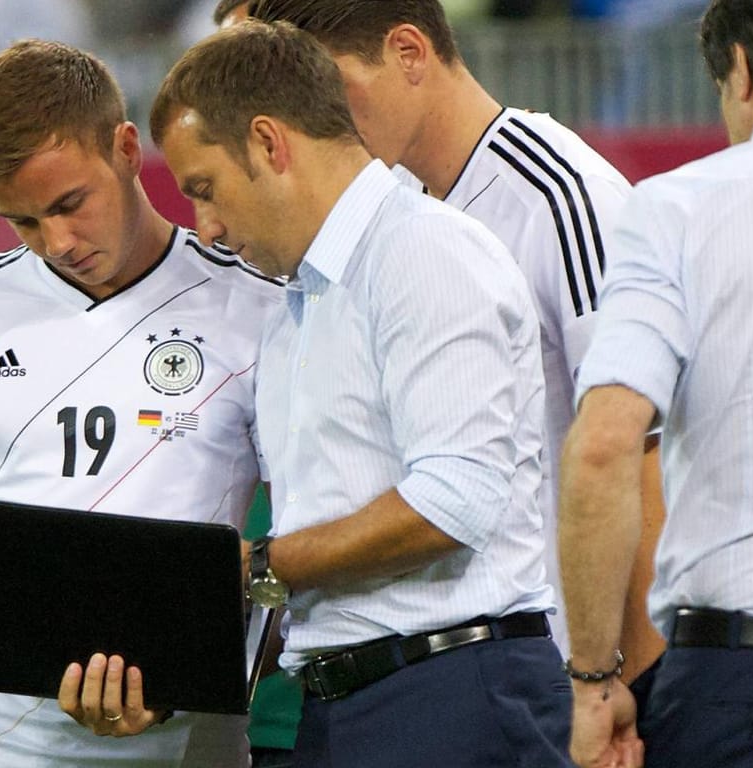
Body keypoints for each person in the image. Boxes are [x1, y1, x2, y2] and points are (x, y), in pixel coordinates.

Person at [0, 39, 280, 768]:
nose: (57, 242)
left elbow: (296, 548)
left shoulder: (257, 306)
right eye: (23, 221)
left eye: (71, 204)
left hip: (182, 741)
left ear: (127, 149)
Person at [148, 20, 570, 766]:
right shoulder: (296, 312)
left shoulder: (425, 253)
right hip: (342, 707)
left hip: (451, 698)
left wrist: (257, 570)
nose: (205, 228)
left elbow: (453, 501)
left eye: (205, 190)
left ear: (271, 144)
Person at [249, 0, 665, 679]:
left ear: (410, 52)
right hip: (478, 668)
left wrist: (632, 690)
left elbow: (643, 461)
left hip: (566, 677)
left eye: (328, 88)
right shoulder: (391, 212)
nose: (310, 118)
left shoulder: (564, 197)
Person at [556, 1, 753, 766]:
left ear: (742, 71)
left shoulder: (679, 207)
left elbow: (605, 447)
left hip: (752, 689)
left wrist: (594, 683)